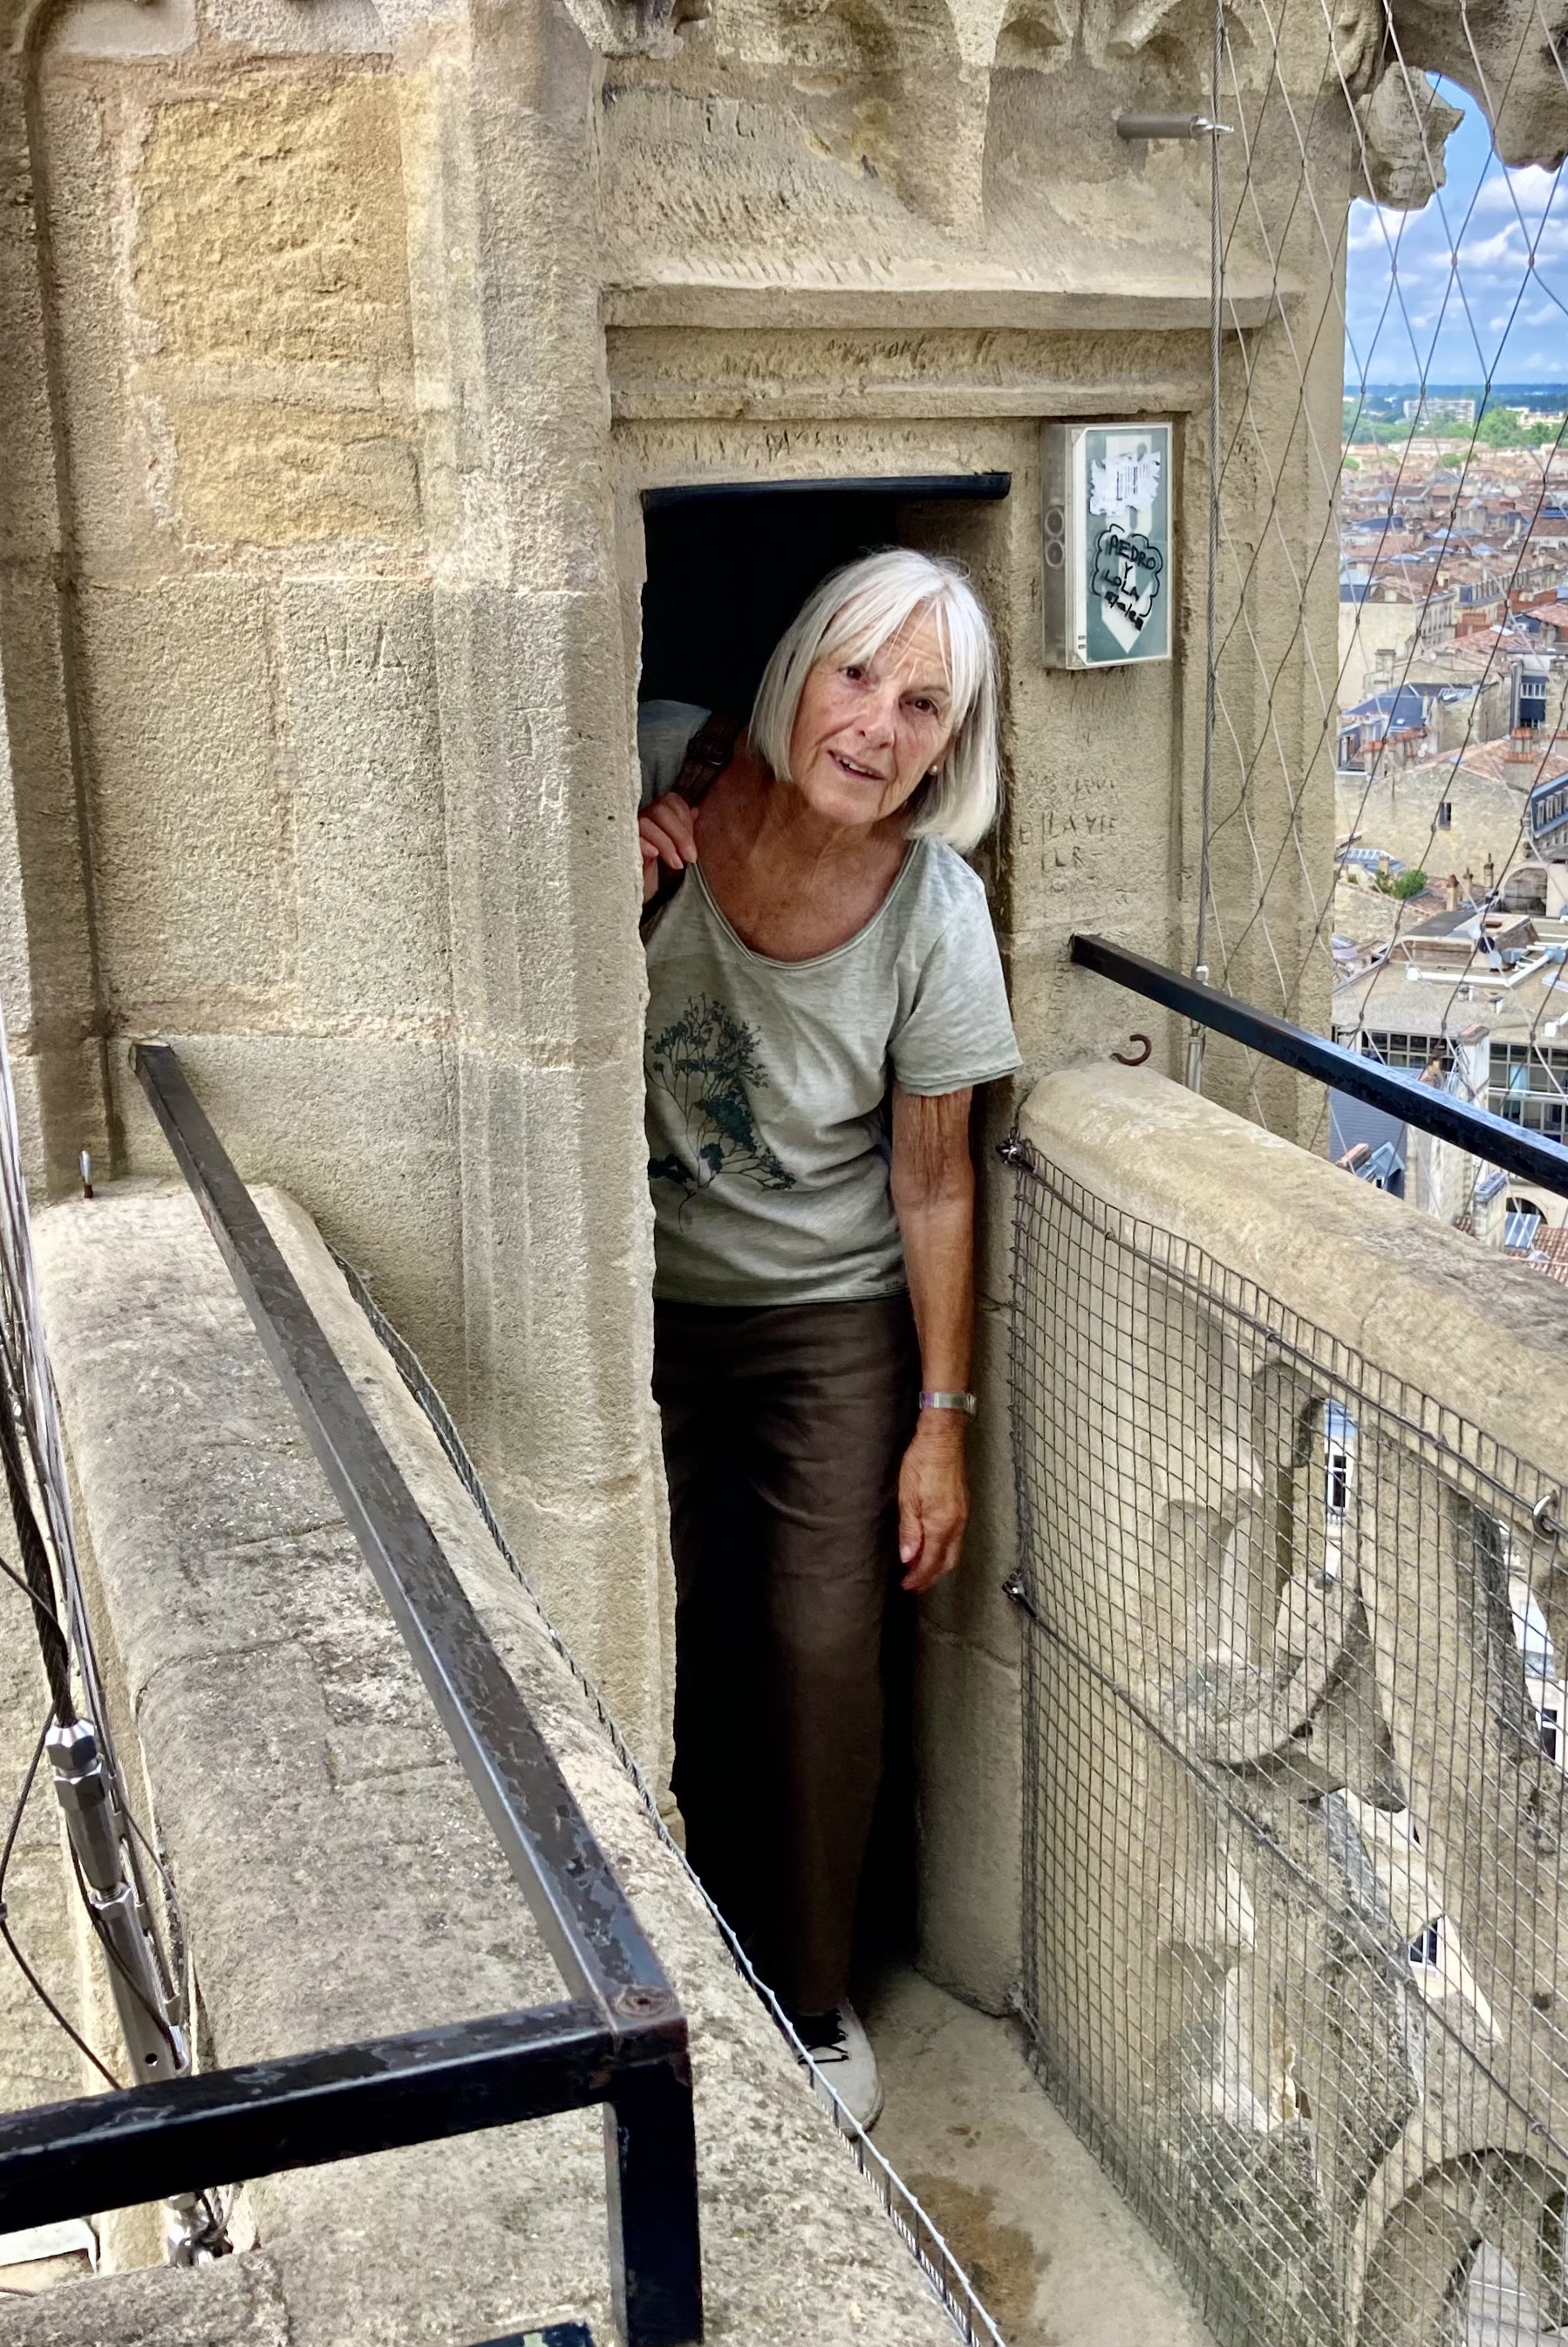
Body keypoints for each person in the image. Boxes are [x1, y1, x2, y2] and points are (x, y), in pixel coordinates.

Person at [633, 548, 1018, 2132]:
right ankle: (647, 1971)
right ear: (799, 666)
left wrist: (941, 1420)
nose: (877, 724)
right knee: (646, 1619)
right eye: (859, 673)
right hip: (636, 1292)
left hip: (825, 1315)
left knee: (817, 1648)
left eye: (924, 704)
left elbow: (935, 1180)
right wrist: (600, 876)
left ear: (950, 746)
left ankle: (803, 1994)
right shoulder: (659, 762)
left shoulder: (935, 910)